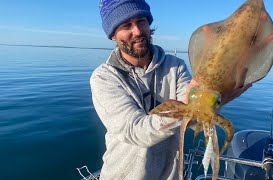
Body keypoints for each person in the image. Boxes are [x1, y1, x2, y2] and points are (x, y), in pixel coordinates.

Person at [90, 0, 251, 179]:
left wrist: (215, 100)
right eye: (126, 25)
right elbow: (135, 131)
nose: (137, 31)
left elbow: (195, 120)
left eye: (141, 21)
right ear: (113, 35)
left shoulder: (175, 66)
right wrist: (186, 106)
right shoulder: (104, 78)